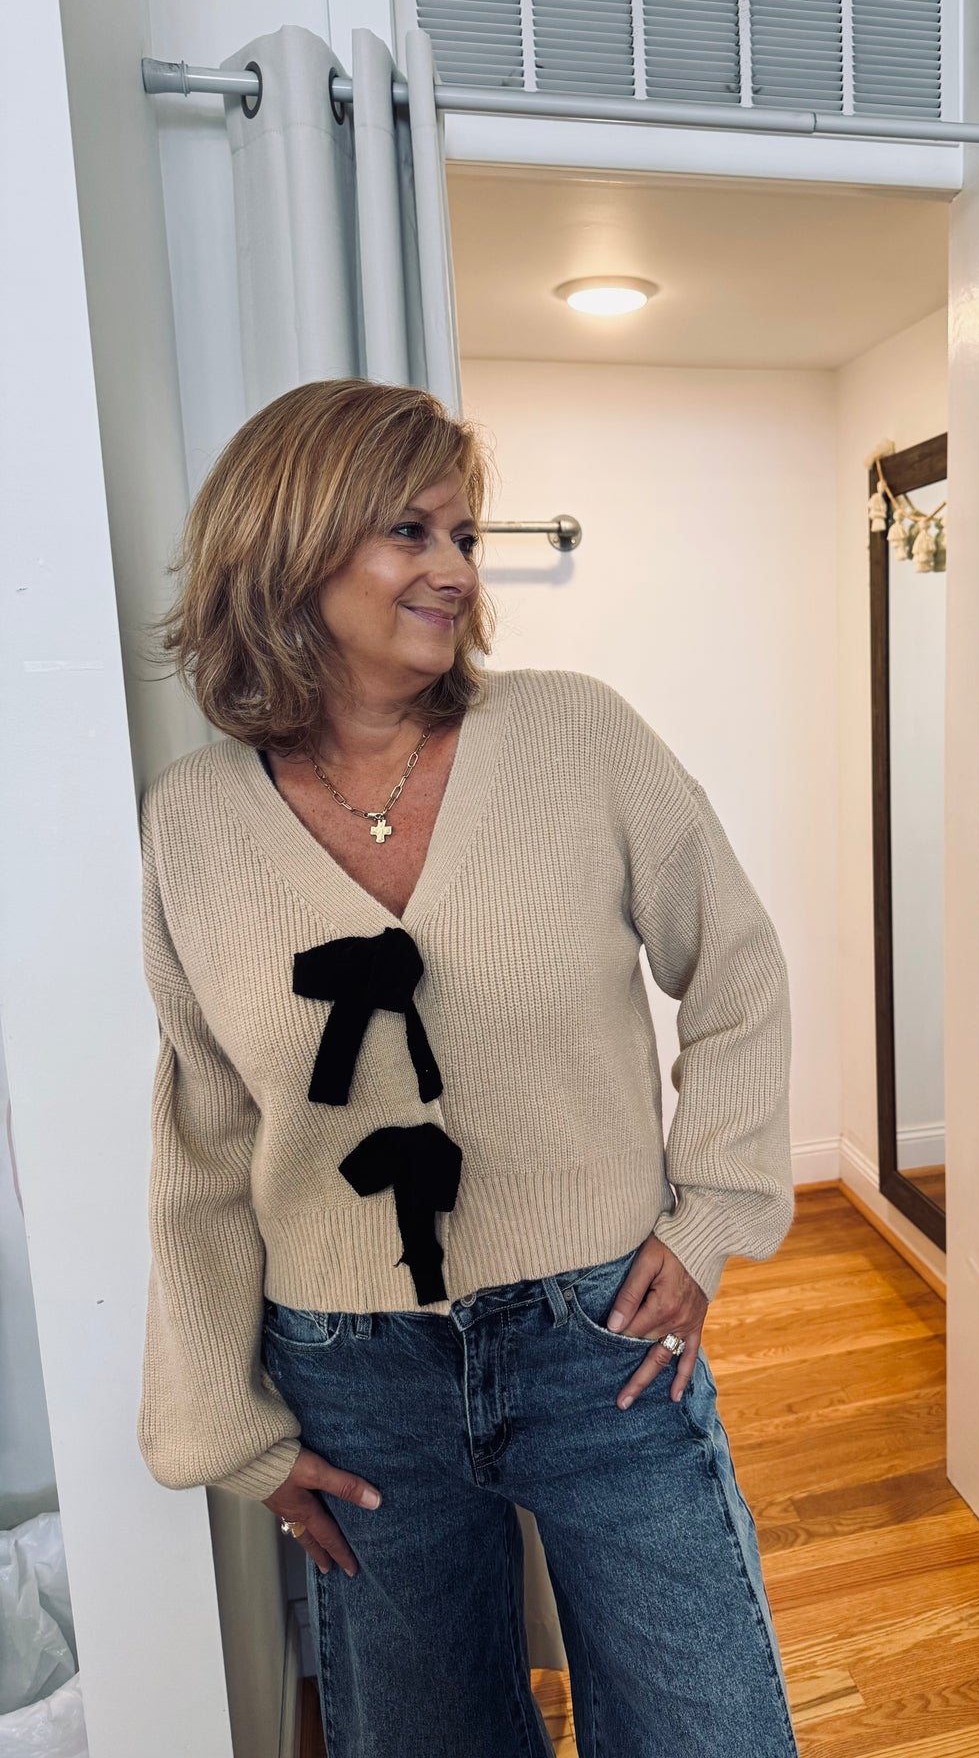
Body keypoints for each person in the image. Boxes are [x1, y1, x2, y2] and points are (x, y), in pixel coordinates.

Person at [136, 377, 800, 1758]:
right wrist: (232, 1428)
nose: (453, 569)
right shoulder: (193, 822)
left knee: (709, 1727)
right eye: (410, 532)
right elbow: (205, 1137)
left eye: (463, 534)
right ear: (289, 545)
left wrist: (712, 1213)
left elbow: (735, 966)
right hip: (351, 1371)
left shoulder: (576, 736)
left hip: (600, 1333)